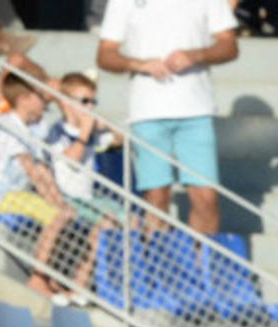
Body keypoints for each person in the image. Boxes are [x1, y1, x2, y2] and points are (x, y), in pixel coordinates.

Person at [96, 0, 238, 235]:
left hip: (196, 111)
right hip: (148, 111)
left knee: (206, 198)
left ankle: (201, 266)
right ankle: (158, 265)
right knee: (157, 197)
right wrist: (140, 64)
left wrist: (196, 55)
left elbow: (230, 45)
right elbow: (105, 54)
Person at [0, 73, 74, 300]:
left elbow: (42, 170)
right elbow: (32, 171)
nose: (44, 102)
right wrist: (56, 205)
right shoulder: (10, 126)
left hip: (17, 195)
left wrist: (59, 201)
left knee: (64, 213)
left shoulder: (30, 128)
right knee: (56, 216)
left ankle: (50, 277)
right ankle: (37, 278)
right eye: (39, 97)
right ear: (23, 99)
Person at [45, 71, 126, 293]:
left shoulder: (90, 132)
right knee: (107, 222)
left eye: (93, 101)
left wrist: (106, 127)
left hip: (88, 198)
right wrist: (86, 130)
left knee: (130, 219)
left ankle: (113, 283)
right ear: (66, 103)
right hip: (66, 197)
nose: (89, 107)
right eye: (84, 101)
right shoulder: (57, 131)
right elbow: (72, 159)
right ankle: (79, 283)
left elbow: (121, 139)